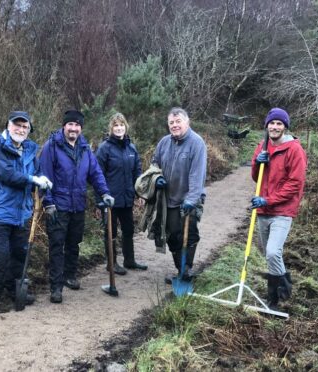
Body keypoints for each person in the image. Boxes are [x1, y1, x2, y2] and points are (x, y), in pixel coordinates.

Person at [0, 111, 53, 314]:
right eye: (17, 125)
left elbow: (37, 171)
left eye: (25, 127)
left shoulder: (30, 149)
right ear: (8, 126)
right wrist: (32, 180)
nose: (21, 130)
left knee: (19, 255)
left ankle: (15, 293)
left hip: (21, 213)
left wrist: (42, 179)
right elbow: (6, 174)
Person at [40, 109, 114, 303]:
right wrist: (48, 202)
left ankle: (70, 276)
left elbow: (95, 173)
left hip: (78, 205)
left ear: (81, 127)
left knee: (74, 244)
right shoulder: (52, 146)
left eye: (77, 125)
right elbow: (44, 176)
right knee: (57, 246)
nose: (73, 128)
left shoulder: (85, 148)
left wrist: (104, 192)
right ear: (64, 126)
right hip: (58, 206)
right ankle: (56, 287)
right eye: (70, 124)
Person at [250, 107, 307, 310]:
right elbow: (257, 177)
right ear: (267, 125)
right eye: (272, 123)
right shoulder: (262, 146)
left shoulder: (294, 150)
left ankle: (280, 294)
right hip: (263, 212)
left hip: (282, 211)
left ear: (285, 127)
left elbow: (295, 184)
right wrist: (257, 163)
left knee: (274, 252)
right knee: (268, 254)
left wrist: (268, 200)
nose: (274, 127)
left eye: (279, 124)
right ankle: (275, 296)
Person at [152, 107, 207, 282]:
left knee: (188, 234)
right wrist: (157, 177)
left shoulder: (196, 143)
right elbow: (155, 163)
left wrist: (191, 199)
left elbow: (197, 174)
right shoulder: (164, 142)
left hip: (189, 199)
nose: (175, 125)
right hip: (167, 199)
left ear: (187, 122)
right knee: (172, 235)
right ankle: (179, 269)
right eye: (171, 123)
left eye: (178, 122)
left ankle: (185, 270)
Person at [96, 113, 146, 275]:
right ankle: (112, 263)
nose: (119, 128)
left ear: (126, 127)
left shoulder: (131, 148)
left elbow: (137, 172)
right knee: (111, 232)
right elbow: (97, 175)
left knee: (129, 229)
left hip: (127, 198)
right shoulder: (105, 148)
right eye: (116, 125)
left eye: (121, 125)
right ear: (111, 128)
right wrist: (100, 200)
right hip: (110, 199)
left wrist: (140, 194)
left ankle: (129, 260)